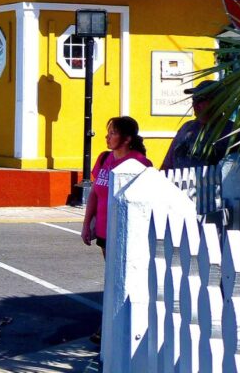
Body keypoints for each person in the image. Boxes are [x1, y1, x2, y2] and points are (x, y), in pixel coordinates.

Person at [81, 115, 152, 345]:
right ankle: (109, 324)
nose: (107, 136)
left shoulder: (140, 164)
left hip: (125, 234)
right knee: (112, 277)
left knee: (120, 279)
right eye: (108, 132)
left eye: (113, 133)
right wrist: (86, 224)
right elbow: (94, 193)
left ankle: (110, 327)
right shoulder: (104, 159)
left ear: (127, 138)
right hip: (104, 232)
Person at [161, 80, 235, 171]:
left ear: (218, 101)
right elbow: (167, 166)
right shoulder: (186, 129)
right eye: (194, 99)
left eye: (200, 99)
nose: (194, 104)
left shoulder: (234, 132)